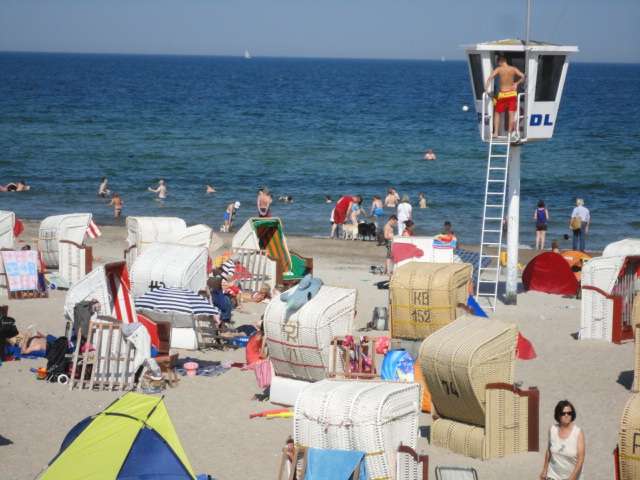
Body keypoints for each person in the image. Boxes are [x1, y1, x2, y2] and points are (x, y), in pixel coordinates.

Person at [539, 400, 585, 480]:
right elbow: (549, 451)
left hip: (572, 477)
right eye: (563, 413)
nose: (566, 415)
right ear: (558, 415)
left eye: (569, 413)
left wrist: (572, 478)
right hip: (553, 476)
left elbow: (580, 459)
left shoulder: (578, 433)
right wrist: (545, 469)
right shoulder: (552, 429)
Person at [485, 54, 525, 139]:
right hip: (512, 94)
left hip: (503, 94)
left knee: (497, 113)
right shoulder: (513, 69)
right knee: (511, 114)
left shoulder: (499, 69)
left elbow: (490, 78)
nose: (498, 64)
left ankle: (495, 133)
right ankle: (509, 134)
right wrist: (517, 83)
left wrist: (486, 90)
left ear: (501, 61)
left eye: (498, 62)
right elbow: (523, 76)